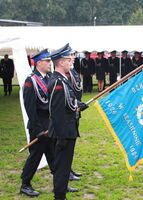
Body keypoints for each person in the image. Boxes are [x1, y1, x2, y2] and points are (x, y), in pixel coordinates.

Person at [48, 44, 88, 200]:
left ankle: (61, 193)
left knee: (64, 166)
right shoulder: (58, 82)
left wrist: (78, 106)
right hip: (63, 132)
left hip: (67, 130)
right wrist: (62, 137)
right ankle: (59, 196)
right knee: (62, 167)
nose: (71, 61)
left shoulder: (62, 80)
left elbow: (68, 103)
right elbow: (56, 112)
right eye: (67, 59)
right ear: (60, 62)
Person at [20, 49, 55, 197]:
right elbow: (30, 108)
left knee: (53, 155)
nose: (50, 64)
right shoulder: (31, 81)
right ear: (38, 63)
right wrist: (38, 129)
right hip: (38, 127)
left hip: (50, 126)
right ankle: (25, 184)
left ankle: (61, 183)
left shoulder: (49, 78)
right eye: (47, 61)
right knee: (35, 156)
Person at [66, 50, 84, 182]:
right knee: (67, 145)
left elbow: (77, 89)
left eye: (74, 55)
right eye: (71, 56)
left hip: (76, 110)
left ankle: (69, 169)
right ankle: (67, 171)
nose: (73, 58)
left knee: (71, 144)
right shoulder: (65, 73)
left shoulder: (73, 71)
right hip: (70, 111)